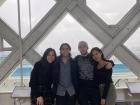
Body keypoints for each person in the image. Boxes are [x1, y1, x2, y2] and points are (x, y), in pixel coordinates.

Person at [75, 41, 113, 105]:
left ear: (87, 48)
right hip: (82, 86)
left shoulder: (92, 57)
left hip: (93, 85)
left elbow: (103, 61)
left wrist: (111, 63)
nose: (82, 48)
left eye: (84, 46)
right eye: (80, 47)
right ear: (78, 49)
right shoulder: (77, 58)